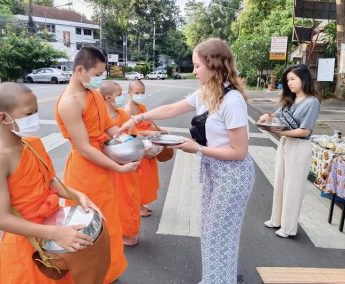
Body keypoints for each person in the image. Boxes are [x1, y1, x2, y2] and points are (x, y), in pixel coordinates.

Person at [119, 38, 255, 284]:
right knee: (211, 232)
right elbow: (172, 109)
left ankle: (219, 280)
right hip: (215, 170)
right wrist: (137, 119)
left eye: (197, 66)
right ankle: (216, 278)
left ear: (213, 66)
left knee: (219, 235)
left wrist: (199, 148)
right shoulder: (206, 92)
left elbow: (239, 152)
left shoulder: (232, 101)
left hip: (234, 175)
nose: (193, 71)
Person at [0, 82, 101, 284]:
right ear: (4, 118)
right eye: (29, 113)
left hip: (54, 231)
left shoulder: (31, 143)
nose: (35, 118)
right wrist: (55, 233)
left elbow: (50, 181)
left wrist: (78, 195)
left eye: (36, 111)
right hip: (27, 242)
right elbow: (2, 219)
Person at [55, 47, 139, 283]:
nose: (101, 78)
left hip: (103, 167)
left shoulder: (92, 95)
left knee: (109, 225)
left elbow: (107, 128)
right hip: (84, 172)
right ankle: (91, 276)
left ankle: (109, 273)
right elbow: (84, 148)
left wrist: (131, 144)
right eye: (99, 73)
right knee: (90, 229)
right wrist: (119, 167)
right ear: (80, 70)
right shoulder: (69, 102)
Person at [258, 64, 320, 238]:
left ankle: (288, 227)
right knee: (279, 183)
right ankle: (276, 220)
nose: (290, 83)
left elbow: (305, 131)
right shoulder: (291, 99)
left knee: (293, 188)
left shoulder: (312, 102)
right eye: (288, 80)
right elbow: (276, 115)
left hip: (299, 147)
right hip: (285, 144)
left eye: (293, 79)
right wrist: (267, 117)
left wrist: (280, 132)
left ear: (304, 79)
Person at [100, 81, 141, 246]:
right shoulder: (99, 117)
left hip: (126, 162)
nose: (121, 97)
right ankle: (113, 232)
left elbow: (132, 137)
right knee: (110, 200)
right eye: (119, 94)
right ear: (108, 97)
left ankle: (129, 231)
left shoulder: (122, 115)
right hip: (107, 164)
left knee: (129, 198)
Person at [124, 80, 161, 217]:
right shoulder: (127, 111)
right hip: (138, 148)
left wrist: (161, 131)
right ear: (129, 93)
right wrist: (152, 133)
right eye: (137, 93)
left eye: (142, 92)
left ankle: (141, 203)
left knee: (147, 179)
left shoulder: (142, 107)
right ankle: (137, 207)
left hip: (148, 147)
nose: (140, 95)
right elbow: (134, 133)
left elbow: (150, 123)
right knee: (138, 179)